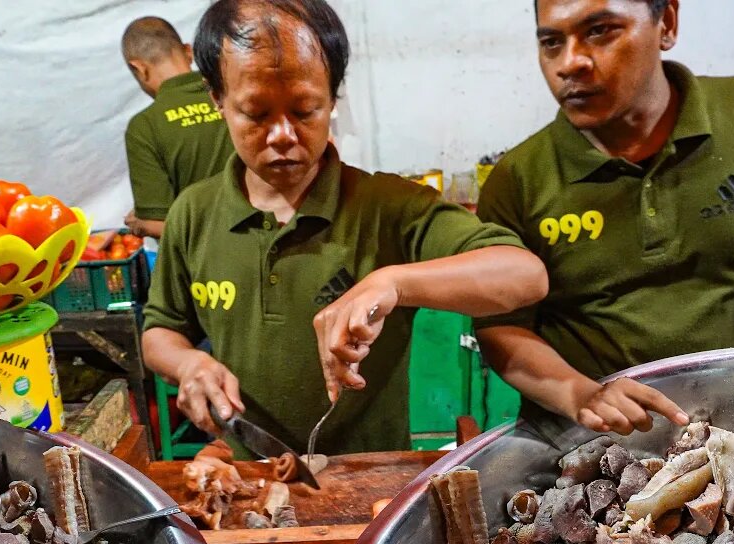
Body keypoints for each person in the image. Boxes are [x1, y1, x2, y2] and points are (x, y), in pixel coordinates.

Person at [142, 0, 547, 456]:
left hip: (371, 477)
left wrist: (392, 282)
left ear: (333, 96)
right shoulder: (193, 214)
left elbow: (524, 275)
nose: (282, 135)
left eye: (305, 110)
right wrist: (189, 362)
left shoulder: (387, 207)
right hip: (251, 476)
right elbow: (160, 330)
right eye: (256, 113)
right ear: (216, 98)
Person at [476, 0, 734, 437]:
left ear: (668, 24)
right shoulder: (519, 178)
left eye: (601, 30)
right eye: (552, 42)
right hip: (580, 441)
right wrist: (583, 395)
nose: (570, 63)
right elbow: (502, 327)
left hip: (724, 427)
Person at [122, 16, 237, 240]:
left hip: (205, 266)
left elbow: (160, 224)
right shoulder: (234, 95)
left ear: (139, 68)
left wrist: (141, 223)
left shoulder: (145, 126)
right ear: (188, 51)